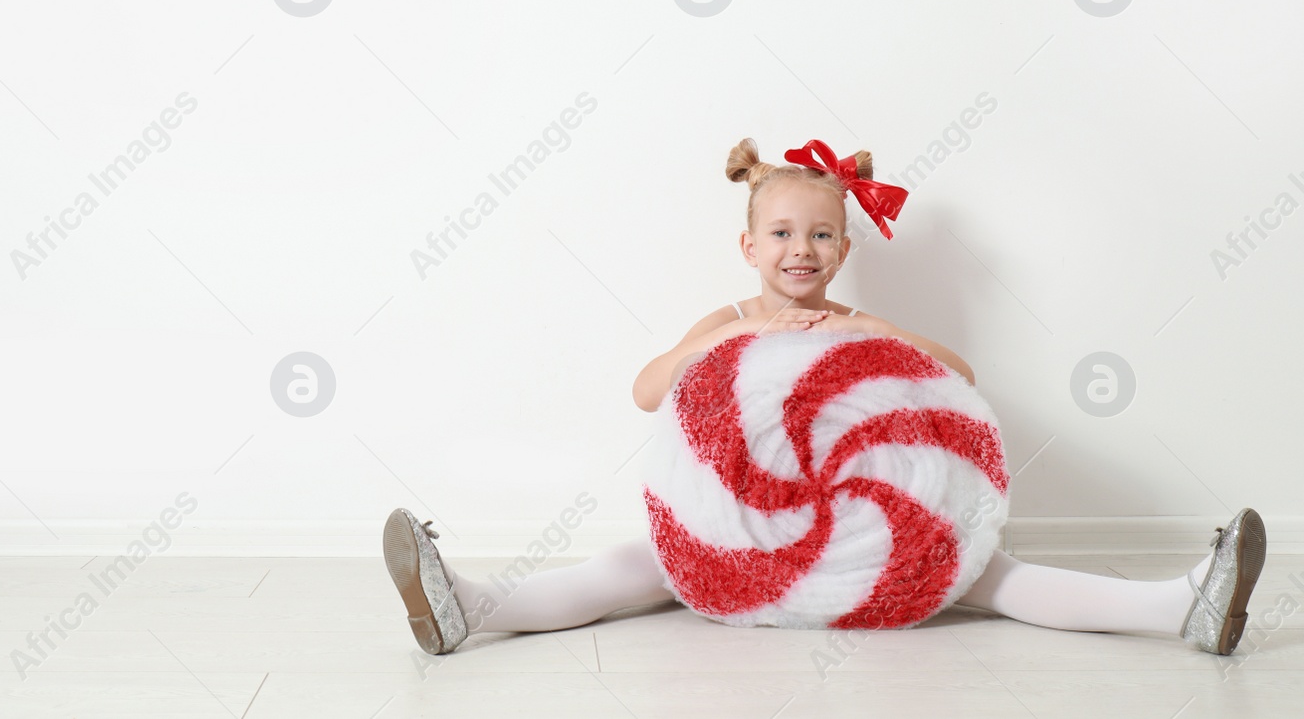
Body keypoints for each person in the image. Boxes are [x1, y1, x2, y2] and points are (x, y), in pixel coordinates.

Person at [383, 136, 1267, 658]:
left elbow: (958, 371)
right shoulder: (728, 321)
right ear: (748, 244)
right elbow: (649, 388)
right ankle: (469, 604)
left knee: (986, 571)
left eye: (820, 234)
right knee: (636, 562)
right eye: (780, 233)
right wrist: (727, 340)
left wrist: (861, 338)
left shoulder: (850, 324)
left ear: (843, 249)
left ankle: (1180, 606)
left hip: (855, 545)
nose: (799, 249)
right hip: (732, 533)